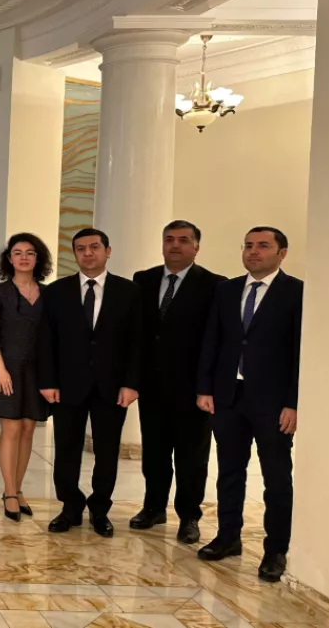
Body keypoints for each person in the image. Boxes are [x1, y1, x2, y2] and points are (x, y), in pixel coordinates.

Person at [197, 226, 303, 583]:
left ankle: (276, 549)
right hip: (228, 397)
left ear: (282, 253)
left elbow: (300, 352)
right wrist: (205, 388)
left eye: (263, 246)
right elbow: (212, 340)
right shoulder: (227, 290)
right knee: (229, 471)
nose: (253, 251)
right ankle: (228, 537)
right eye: (248, 245)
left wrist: (293, 403)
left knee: (276, 476)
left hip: (273, 403)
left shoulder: (297, 292)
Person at [39, 228, 141, 538]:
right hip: (67, 385)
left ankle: (100, 509)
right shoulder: (56, 291)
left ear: (108, 251)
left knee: (107, 451)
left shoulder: (129, 291)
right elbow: (46, 339)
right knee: (66, 448)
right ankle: (70, 506)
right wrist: (48, 381)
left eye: (94, 247)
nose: (88, 253)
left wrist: (131, 383)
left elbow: (137, 343)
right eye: (81, 248)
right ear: (75, 254)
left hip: (112, 386)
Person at [130, 221, 224, 544]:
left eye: (183, 240)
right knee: (154, 452)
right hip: (152, 385)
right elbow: (138, 334)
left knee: (191, 457)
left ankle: (189, 516)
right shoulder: (143, 280)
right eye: (169, 239)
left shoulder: (214, 285)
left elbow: (215, 339)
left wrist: (208, 386)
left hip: (193, 389)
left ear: (196, 247)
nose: (175, 245)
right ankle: (153, 508)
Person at [0, 233, 52, 521]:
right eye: (17, 252)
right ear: (9, 259)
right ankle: (9, 491)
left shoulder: (49, 294)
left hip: (38, 371)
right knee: (11, 428)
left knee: (28, 429)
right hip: (6, 368)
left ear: (38, 259)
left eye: (30, 253)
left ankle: (19, 487)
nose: (23, 257)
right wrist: (0, 368)